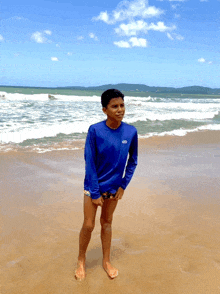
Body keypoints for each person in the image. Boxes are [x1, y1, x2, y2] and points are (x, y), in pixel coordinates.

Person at [75, 89, 138, 280]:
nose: (120, 110)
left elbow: (133, 160)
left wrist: (123, 185)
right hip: (93, 186)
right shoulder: (95, 130)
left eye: (122, 105)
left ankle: (106, 261)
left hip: (114, 187)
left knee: (107, 223)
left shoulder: (131, 131)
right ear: (105, 110)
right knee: (88, 224)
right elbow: (90, 162)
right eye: (114, 106)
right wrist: (94, 192)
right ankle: (81, 260)